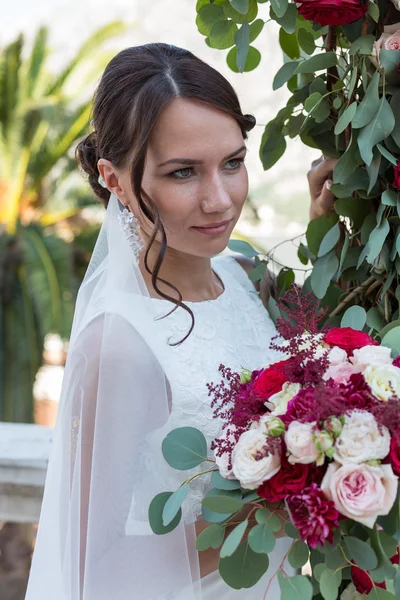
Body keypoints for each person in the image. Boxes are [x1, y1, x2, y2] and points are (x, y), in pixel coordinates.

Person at [25, 43, 335, 600]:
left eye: (233, 163)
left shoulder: (242, 271)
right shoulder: (119, 345)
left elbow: (314, 354)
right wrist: (282, 498)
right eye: (183, 172)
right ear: (113, 179)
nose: (220, 200)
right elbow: (95, 565)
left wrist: (328, 231)